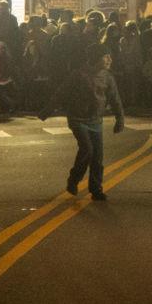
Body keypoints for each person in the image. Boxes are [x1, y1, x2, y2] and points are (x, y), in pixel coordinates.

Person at [53, 50, 125, 200]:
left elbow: (114, 98)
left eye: (110, 56)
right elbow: (61, 92)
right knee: (87, 149)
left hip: (95, 120)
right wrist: (46, 111)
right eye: (105, 56)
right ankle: (74, 180)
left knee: (97, 157)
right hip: (77, 118)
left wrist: (120, 118)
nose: (109, 59)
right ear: (95, 58)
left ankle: (96, 189)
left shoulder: (107, 77)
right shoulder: (78, 75)